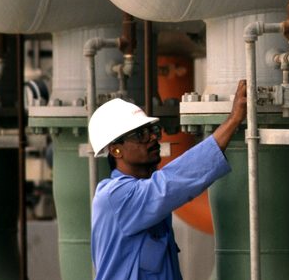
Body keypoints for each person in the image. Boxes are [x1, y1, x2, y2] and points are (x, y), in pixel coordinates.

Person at [88, 80, 247, 279]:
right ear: (115, 149)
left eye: (152, 131)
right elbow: (170, 183)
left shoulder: (145, 198)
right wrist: (232, 121)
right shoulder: (114, 196)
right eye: (140, 135)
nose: (153, 138)